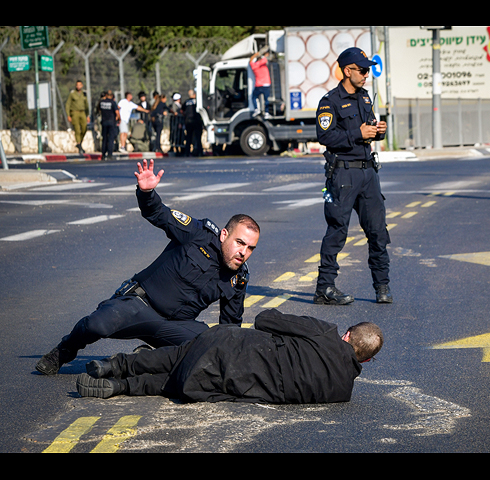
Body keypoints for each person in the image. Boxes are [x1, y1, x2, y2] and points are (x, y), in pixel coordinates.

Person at [35, 160, 261, 376]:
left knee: (211, 346)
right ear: (224, 235)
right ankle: (64, 350)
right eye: (239, 243)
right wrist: (146, 193)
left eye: (250, 248)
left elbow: (230, 327)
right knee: (97, 325)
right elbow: (158, 213)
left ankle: (145, 360)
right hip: (140, 305)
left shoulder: (238, 278)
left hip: (175, 327)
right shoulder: (198, 234)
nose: (243, 252)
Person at [75, 309, 384, 404]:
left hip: (235, 348)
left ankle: (116, 365)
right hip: (239, 387)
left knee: (179, 356)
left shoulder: (325, 332)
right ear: (365, 361)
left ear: (347, 334)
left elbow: (265, 320)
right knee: (176, 380)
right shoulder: (342, 392)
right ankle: (121, 387)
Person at [314, 47, 391, 306]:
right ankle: (324, 288)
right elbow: (325, 137)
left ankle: (382, 286)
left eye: (368, 70)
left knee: (378, 231)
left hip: (368, 171)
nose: (367, 74)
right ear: (348, 71)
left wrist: (378, 131)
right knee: (337, 231)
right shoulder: (330, 101)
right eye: (362, 70)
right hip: (343, 174)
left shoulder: (365, 97)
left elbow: (366, 129)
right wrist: (357, 134)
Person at [66, 80, 90, 154]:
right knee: (77, 129)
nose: (78, 86)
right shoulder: (72, 94)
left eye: (80, 85)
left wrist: (87, 115)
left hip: (82, 112)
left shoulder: (84, 94)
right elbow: (68, 104)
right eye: (77, 85)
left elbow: (86, 105)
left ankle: (80, 142)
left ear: (82, 85)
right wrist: (68, 115)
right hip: (75, 112)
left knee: (84, 128)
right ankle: (79, 145)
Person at [250, 47, 272, 117]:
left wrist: (256, 54)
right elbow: (266, 56)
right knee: (266, 99)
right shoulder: (263, 62)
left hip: (258, 85)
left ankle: (257, 109)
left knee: (254, 97)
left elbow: (250, 60)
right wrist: (262, 53)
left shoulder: (254, 66)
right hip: (266, 84)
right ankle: (266, 112)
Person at [98, 90, 120, 160]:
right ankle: (110, 154)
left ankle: (103, 154)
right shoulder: (112, 102)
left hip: (104, 122)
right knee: (111, 138)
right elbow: (117, 113)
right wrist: (118, 119)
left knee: (104, 138)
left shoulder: (101, 102)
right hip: (111, 122)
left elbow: (99, 110)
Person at [182, 90, 204, 157]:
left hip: (188, 121)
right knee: (198, 138)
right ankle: (200, 152)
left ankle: (187, 153)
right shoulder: (198, 102)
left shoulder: (186, 102)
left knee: (188, 138)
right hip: (196, 121)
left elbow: (182, 110)